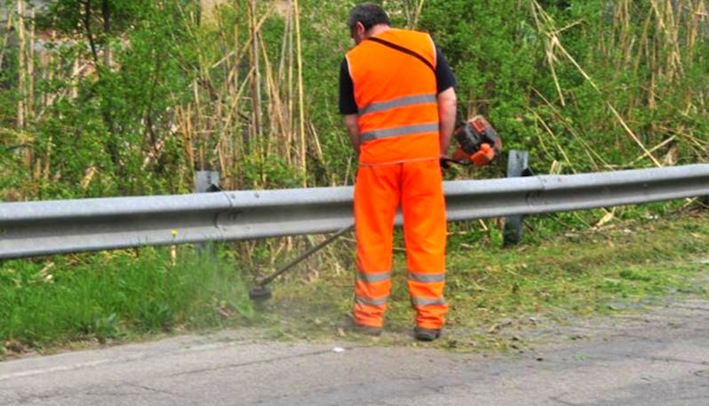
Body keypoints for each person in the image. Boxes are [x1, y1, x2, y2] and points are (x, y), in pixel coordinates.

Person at [338, 3, 457, 341]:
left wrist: (369, 151)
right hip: (422, 161)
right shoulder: (425, 44)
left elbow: (351, 121)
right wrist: (439, 150)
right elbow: (448, 102)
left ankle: (368, 318)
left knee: (374, 237)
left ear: (360, 29)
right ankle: (429, 320)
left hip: (377, 163)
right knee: (426, 236)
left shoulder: (352, 61)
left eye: (353, 36)